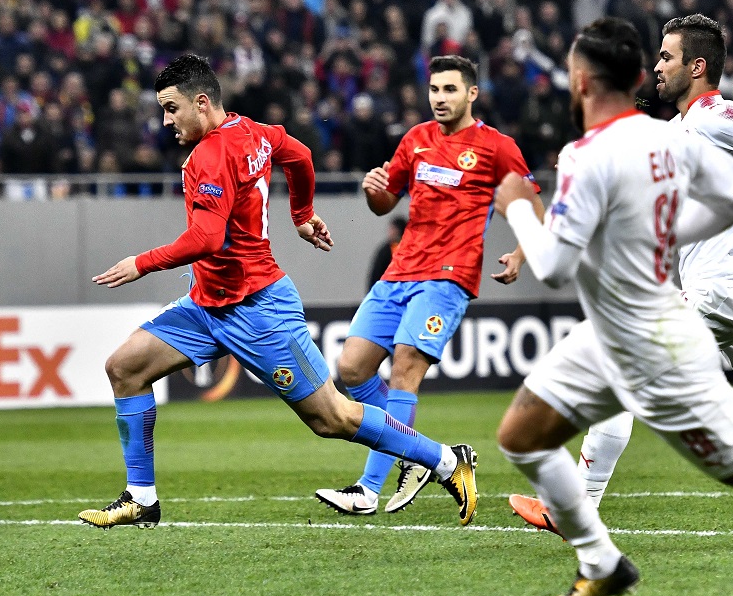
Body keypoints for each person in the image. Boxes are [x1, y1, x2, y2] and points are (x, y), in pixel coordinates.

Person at [494, 16, 733, 596]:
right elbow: (724, 201)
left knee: (615, 381)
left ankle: (578, 517)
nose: (659, 66)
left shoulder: (713, 115)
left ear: (697, 67)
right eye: (653, 58)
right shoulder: (673, 132)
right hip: (727, 286)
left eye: (668, 56)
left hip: (716, 291)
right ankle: (592, 547)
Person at [77, 54, 478, 529]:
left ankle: (448, 461)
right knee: (124, 368)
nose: (166, 121)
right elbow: (301, 156)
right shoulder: (254, 131)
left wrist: (140, 263)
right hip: (207, 304)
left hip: (258, 309)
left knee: (333, 419)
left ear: (202, 103)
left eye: (171, 108)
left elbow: (205, 239)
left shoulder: (210, 155)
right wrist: (302, 214)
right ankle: (141, 498)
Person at [314, 55, 543, 518]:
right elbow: (384, 204)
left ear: (472, 94)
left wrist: (521, 253)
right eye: (435, 89)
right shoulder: (415, 140)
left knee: (404, 367)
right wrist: (372, 188)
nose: (440, 98)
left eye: (450, 90)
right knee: (352, 369)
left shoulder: (496, 147)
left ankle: (368, 489)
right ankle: (419, 454)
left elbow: (533, 205)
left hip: (448, 278)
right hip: (399, 273)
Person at [366, 216, 407, 290]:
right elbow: (376, 273)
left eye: (393, 229)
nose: (390, 232)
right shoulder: (385, 250)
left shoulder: (408, 248)